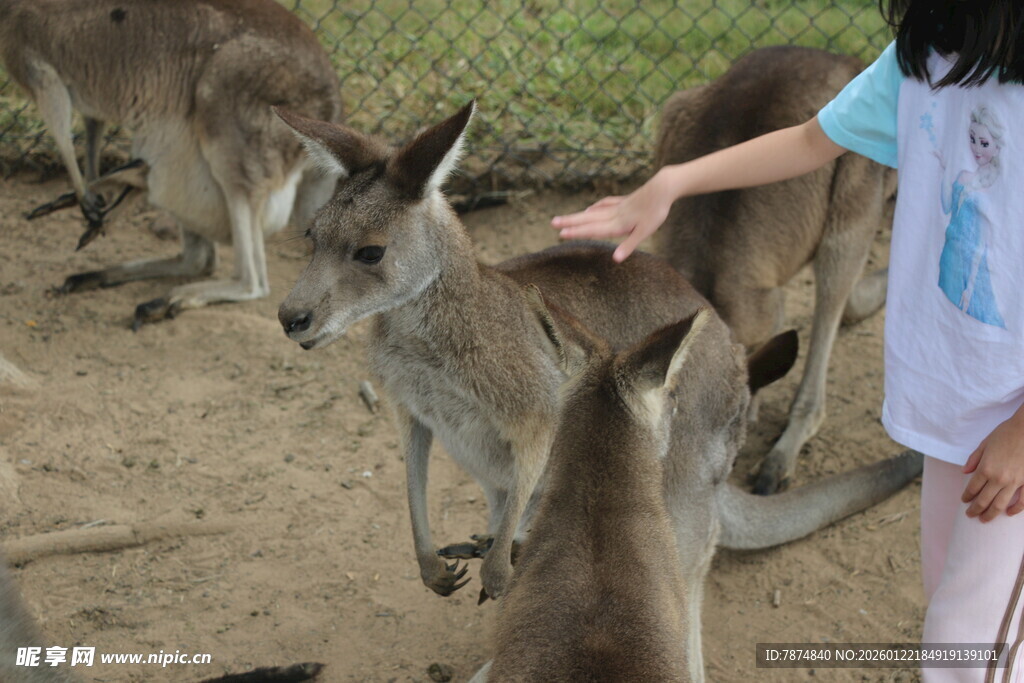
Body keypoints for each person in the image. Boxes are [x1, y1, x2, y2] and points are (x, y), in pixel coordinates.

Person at [551, 2, 1024, 681]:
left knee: (963, 647)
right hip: (951, 402)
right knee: (962, 605)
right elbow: (812, 139)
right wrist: (673, 181)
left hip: (1012, 412)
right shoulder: (930, 54)